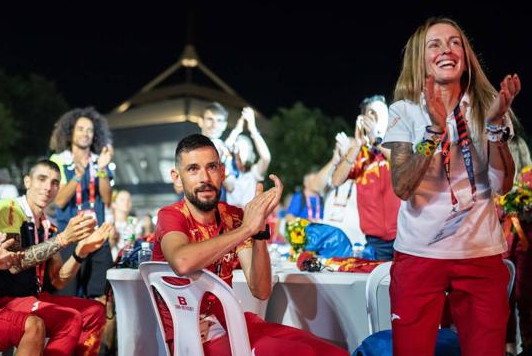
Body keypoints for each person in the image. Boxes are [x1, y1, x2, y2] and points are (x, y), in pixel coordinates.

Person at [382, 17, 519, 356]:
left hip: (480, 253)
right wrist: (433, 130)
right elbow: (402, 186)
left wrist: (495, 127)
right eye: (435, 44)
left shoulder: (489, 105)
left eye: (454, 42)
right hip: (419, 254)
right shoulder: (404, 110)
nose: (446, 49)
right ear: (421, 58)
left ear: (466, 55)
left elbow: (502, 184)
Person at [152, 134, 349, 356]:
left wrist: (259, 229)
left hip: (234, 325)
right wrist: (246, 229)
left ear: (222, 172)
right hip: (193, 340)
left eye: (212, 167)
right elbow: (182, 261)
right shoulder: (171, 216)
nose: (205, 178)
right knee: (300, 352)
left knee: (331, 351)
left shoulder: (233, 217)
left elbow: (261, 289)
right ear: (177, 178)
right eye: (193, 169)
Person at [0, 159, 111, 356]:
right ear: (27, 181)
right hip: (3, 299)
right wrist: (63, 239)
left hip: (32, 298)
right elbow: (12, 263)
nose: (48, 187)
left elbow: (58, 280)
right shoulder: (10, 208)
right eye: (42, 179)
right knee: (69, 319)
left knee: (94, 311)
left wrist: (80, 252)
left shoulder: (48, 225)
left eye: (55, 182)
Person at [49, 107, 114, 298]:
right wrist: (77, 176)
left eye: (89, 130)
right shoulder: (59, 160)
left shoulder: (100, 160)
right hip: (69, 238)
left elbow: (108, 199)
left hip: (97, 238)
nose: (85, 134)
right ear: (70, 132)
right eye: (80, 129)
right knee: (66, 297)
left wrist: (101, 169)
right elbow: (59, 201)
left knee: (103, 299)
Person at [331, 95, 399, 260]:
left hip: (404, 237)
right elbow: (336, 181)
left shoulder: (396, 144)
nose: (372, 120)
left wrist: (377, 140)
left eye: (377, 114)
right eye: (369, 115)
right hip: (375, 242)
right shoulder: (360, 154)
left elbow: (402, 164)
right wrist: (357, 145)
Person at [504, 135, 532, 356]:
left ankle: (528, 343)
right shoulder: (499, 179)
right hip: (503, 245)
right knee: (507, 296)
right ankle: (509, 345)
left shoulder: (529, 181)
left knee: (524, 296)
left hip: (525, 246)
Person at [224, 107, 271, 208]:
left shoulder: (253, 172)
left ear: (250, 153)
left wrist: (253, 129)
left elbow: (266, 157)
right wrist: (237, 130)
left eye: (244, 149)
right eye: (237, 148)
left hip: (249, 219)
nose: (240, 152)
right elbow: (222, 150)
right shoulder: (228, 170)